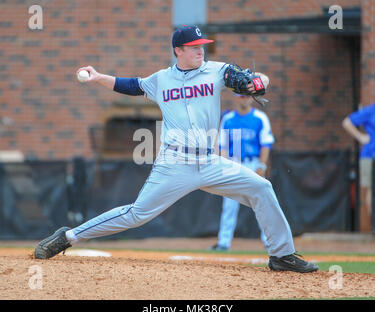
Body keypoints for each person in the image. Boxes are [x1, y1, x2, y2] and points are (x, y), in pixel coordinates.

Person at [34, 25, 318, 273]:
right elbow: (131, 85)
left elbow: (256, 78)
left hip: (209, 161)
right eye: (194, 47)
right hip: (175, 162)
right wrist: (97, 77)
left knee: (262, 188)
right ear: (178, 51)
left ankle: (281, 256)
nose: (200, 51)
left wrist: (259, 82)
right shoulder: (161, 79)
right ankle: (68, 236)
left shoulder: (217, 71)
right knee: (136, 214)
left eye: (202, 46)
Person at [211, 94, 273, 251]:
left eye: (246, 96)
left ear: (251, 98)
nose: (244, 99)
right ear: (235, 98)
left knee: (262, 203)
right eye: (241, 96)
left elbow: (266, 144)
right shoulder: (229, 119)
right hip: (234, 163)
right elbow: (223, 146)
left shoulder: (260, 117)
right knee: (229, 205)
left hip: (253, 163)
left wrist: (262, 165)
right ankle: (224, 242)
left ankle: (269, 241)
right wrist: (224, 166)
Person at [342, 103, 375, 231]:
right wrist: (361, 137)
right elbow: (347, 122)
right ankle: (373, 225)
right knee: (371, 190)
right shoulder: (370, 111)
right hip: (370, 156)